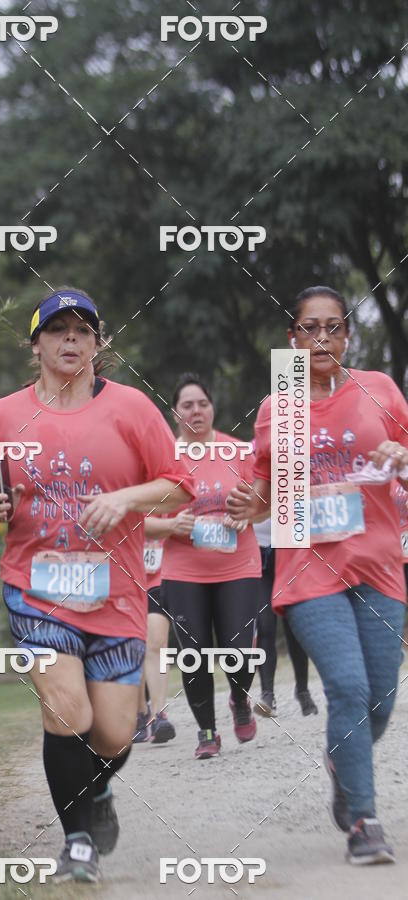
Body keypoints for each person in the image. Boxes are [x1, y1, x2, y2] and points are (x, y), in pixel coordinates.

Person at [0, 288, 193, 883]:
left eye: (83, 331)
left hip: (117, 591)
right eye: (58, 331)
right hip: (37, 586)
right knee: (66, 709)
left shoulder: (133, 409)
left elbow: (179, 486)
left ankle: (95, 794)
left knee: (116, 731)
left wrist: (125, 498)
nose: (71, 341)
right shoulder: (2, 416)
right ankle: (78, 844)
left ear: (98, 343)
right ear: (36, 343)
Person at [226, 285, 408, 865]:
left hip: (380, 563)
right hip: (311, 571)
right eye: (310, 327)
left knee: (379, 699)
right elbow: (264, 487)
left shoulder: (380, 390)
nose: (322, 337)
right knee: (348, 688)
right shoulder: (277, 404)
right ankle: (363, 821)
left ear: (348, 335)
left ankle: (340, 760)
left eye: (333, 327)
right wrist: (248, 506)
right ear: (293, 339)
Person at [155, 373, 262, 759]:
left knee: (238, 645)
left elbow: (264, 502)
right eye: (187, 405)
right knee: (193, 651)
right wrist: (170, 524)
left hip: (239, 563)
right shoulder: (163, 458)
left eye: (202, 403)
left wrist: (247, 514)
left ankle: (240, 699)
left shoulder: (239, 451)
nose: (196, 411)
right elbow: (139, 518)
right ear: (174, 414)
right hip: (184, 568)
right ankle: (207, 733)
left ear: (212, 408)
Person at [253, 517, 318, 717]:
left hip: (290, 550)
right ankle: (267, 694)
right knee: (265, 625)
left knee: (294, 623)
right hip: (257, 551)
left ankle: (302, 690)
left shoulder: (290, 483)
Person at [133, 527, 176, 744]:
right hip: (125, 577)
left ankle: (159, 714)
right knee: (134, 646)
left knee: (157, 643)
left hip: (159, 577)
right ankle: (140, 712)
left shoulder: (169, 494)